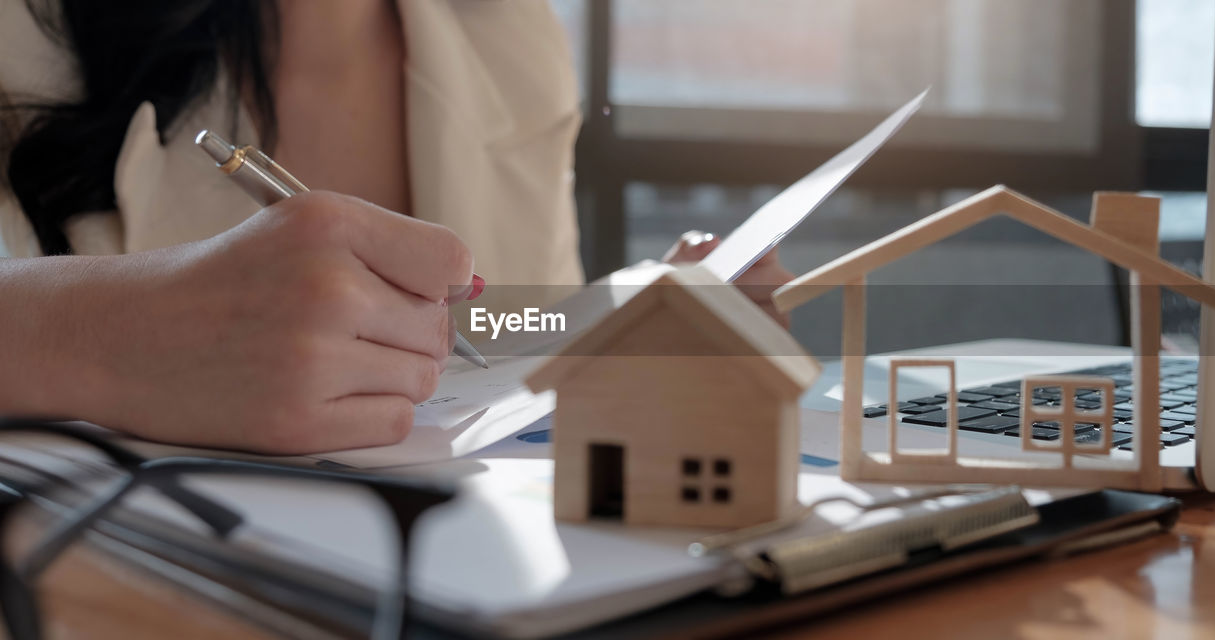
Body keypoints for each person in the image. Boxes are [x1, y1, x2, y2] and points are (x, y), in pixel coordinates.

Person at [0, 0, 793, 454]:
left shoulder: (509, 40)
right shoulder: (25, 35)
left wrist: (629, 321)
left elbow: (498, 331)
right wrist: (116, 333)